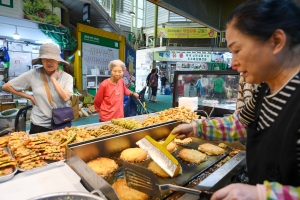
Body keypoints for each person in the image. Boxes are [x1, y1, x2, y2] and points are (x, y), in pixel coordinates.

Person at [171, 0, 300, 199]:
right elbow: (241, 123)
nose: (233, 63)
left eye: (237, 50)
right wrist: (197, 128)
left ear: (276, 41)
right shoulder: (265, 91)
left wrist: (262, 195)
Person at [2, 43, 73, 134]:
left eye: (52, 59)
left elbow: (66, 97)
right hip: (39, 124)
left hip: (62, 122)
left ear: (58, 60)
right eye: (45, 59)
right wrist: (29, 97)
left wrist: (53, 79)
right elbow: (7, 86)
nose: (49, 62)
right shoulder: (33, 74)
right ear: (41, 60)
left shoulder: (67, 77)